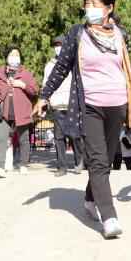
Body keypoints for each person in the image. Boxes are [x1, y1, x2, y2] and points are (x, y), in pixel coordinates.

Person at [32, 0, 131, 239]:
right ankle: (109, 217)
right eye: (87, 3)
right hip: (88, 105)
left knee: (106, 160)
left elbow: (128, 70)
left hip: (118, 105)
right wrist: (44, 95)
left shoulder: (120, 36)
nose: (89, 8)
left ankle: (91, 199)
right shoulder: (77, 34)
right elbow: (61, 68)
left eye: (95, 3)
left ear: (109, 7)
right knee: (98, 161)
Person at [0, 47, 39, 176]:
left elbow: (35, 91)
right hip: (3, 112)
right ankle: (0, 166)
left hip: (21, 112)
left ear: (20, 58)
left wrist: (23, 85)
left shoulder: (26, 73)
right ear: (7, 57)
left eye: (16, 55)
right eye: (11, 54)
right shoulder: (0, 72)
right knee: (1, 138)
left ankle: (23, 165)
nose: (14, 57)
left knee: (23, 140)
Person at [43, 35, 87, 176]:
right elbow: (46, 83)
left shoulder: (74, 63)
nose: (58, 47)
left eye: (61, 45)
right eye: (56, 45)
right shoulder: (49, 65)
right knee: (59, 137)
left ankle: (79, 161)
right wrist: (45, 99)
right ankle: (62, 167)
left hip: (72, 104)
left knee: (75, 135)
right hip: (57, 105)